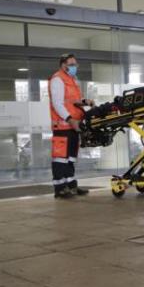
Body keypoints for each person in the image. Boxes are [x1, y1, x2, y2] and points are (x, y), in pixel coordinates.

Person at [48, 53, 94, 199]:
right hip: (63, 126)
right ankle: (60, 188)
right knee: (60, 159)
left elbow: (73, 100)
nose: (75, 67)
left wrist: (85, 102)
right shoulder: (57, 80)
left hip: (74, 125)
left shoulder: (72, 79)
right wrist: (70, 119)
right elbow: (57, 104)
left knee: (70, 158)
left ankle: (71, 185)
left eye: (75, 64)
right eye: (72, 64)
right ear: (63, 65)